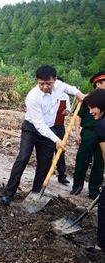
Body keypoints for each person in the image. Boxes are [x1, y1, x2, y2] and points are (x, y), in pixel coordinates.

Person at [0, 66, 84, 206]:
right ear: (37, 81)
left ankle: (36, 193)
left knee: (45, 163)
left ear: (54, 80)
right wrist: (57, 140)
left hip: (49, 130)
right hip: (31, 129)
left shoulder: (59, 86)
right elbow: (39, 125)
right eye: (41, 84)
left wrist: (79, 94)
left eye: (48, 83)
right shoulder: (33, 97)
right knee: (23, 158)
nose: (45, 87)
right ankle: (8, 193)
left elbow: (71, 89)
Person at [71, 70, 105, 199]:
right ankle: (77, 186)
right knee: (82, 160)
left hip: (103, 135)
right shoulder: (88, 99)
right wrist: (77, 133)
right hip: (88, 132)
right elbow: (78, 116)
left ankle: (94, 190)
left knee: (100, 163)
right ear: (98, 84)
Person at [82, 88, 105, 254]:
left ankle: (101, 245)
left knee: (103, 205)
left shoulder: (101, 126)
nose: (90, 112)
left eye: (93, 108)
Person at [51, 78, 71, 185]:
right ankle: (45, 174)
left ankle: (62, 175)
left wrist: (66, 111)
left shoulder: (65, 96)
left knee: (60, 151)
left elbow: (68, 109)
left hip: (59, 126)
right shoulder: (48, 95)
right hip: (49, 126)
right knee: (47, 151)